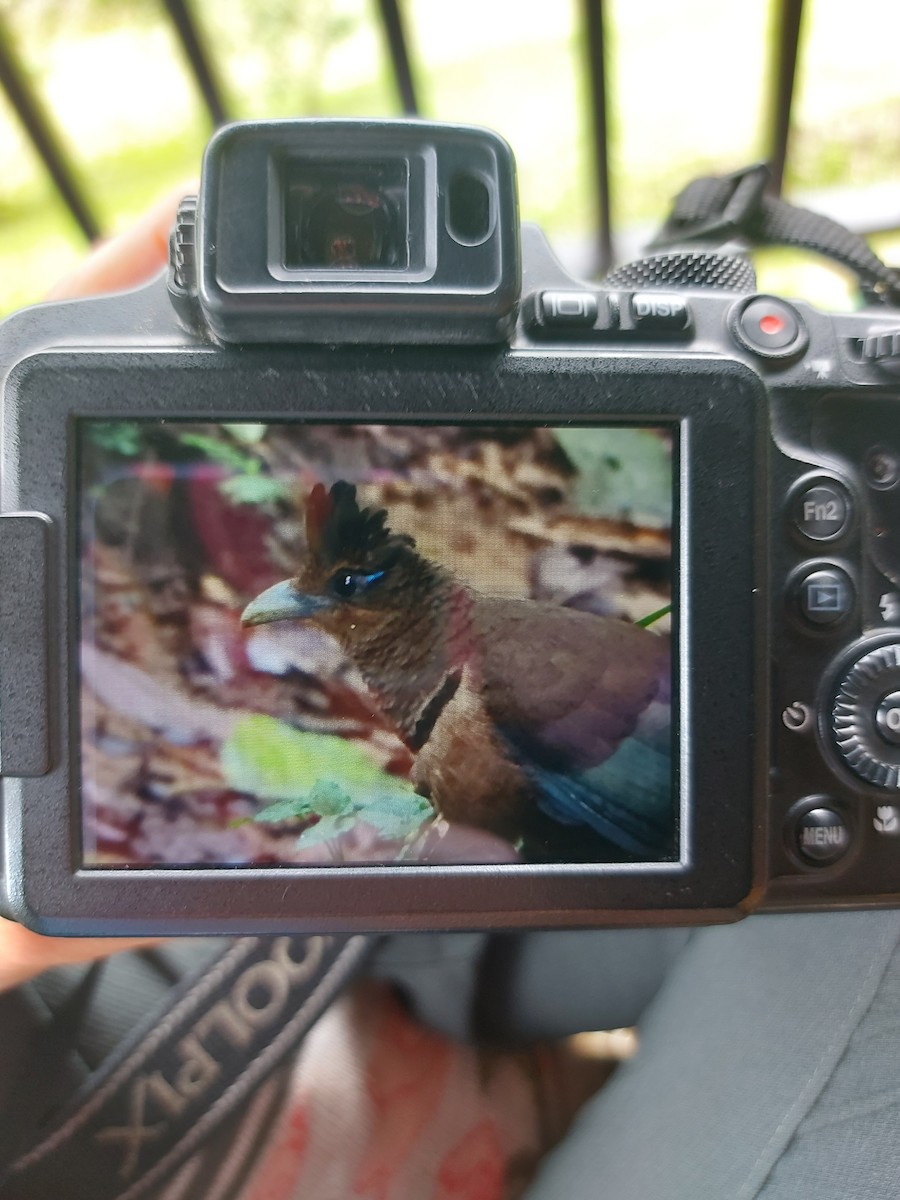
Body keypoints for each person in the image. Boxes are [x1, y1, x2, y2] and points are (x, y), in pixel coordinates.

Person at [2, 193, 900, 1199]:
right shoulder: (456, 696)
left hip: (449, 960)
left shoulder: (501, 680)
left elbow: (691, 804)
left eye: (337, 590)